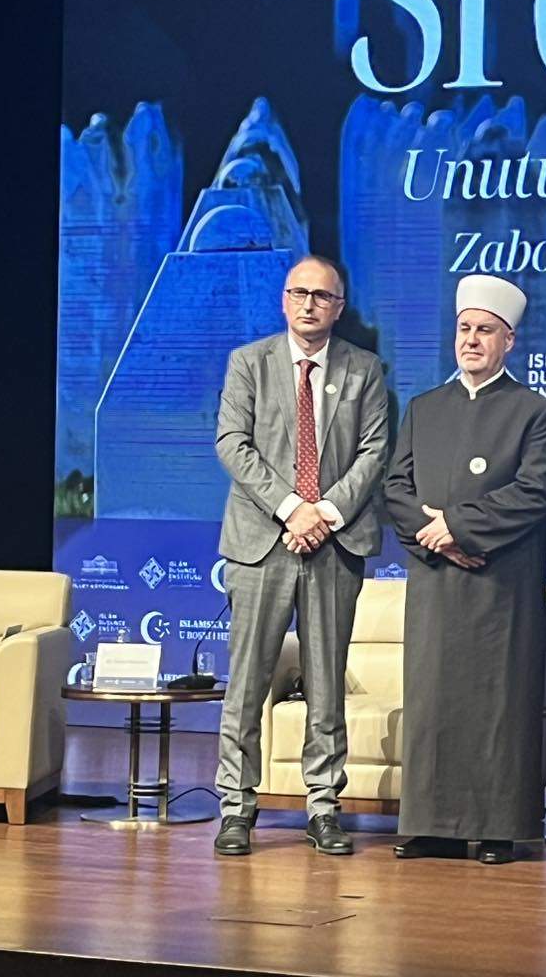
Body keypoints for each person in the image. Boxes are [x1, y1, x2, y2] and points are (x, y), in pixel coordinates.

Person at [212, 255, 389, 857]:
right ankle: (236, 807)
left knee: (325, 681)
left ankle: (324, 805)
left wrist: (325, 513)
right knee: (247, 682)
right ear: (284, 299)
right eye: (299, 293)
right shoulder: (250, 363)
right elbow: (232, 445)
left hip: (334, 543)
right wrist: (292, 508)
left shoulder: (364, 369)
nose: (309, 304)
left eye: (322, 296)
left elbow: (374, 453)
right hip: (262, 541)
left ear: (340, 307)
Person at [385, 274, 546, 865]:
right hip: (436, 583)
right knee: (433, 703)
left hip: (499, 586)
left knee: (496, 707)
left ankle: (496, 828)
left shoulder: (535, 412)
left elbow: (533, 493)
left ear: (508, 340)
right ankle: (429, 825)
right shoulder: (423, 408)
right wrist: (438, 538)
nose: (471, 339)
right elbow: (396, 489)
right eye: (464, 328)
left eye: (485, 330)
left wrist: (456, 527)